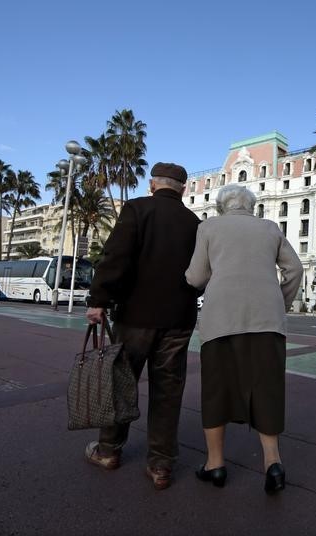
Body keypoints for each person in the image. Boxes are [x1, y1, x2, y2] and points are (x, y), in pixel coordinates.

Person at [84, 162, 200, 491]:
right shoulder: (194, 222)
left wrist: (99, 300)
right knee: (168, 390)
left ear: (152, 184)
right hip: (178, 319)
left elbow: (115, 256)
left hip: (134, 316)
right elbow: (202, 272)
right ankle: (161, 465)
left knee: (122, 382)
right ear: (183, 189)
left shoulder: (137, 209)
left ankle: (108, 451)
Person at [185, 184, 302, 494]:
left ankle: (215, 465)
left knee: (215, 389)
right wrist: (280, 302)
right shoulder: (270, 228)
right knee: (268, 388)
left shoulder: (208, 227)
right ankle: (273, 463)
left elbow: (196, 278)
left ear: (222, 206)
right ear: (252, 205)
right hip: (267, 320)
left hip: (221, 319)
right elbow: (295, 269)